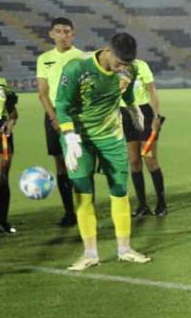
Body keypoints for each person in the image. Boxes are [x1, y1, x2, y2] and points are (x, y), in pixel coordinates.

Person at [54, 32, 151, 270]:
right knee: (83, 193)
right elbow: (62, 105)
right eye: (119, 63)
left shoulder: (130, 68)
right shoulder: (77, 68)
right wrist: (70, 137)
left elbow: (127, 91)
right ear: (107, 51)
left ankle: (124, 249)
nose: (122, 69)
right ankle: (90, 254)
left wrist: (133, 108)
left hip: (111, 136)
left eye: (126, 65)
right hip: (79, 138)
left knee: (119, 191)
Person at [36, 17, 85, 226]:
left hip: (76, 114)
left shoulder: (82, 57)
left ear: (73, 34)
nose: (63, 35)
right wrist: (54, 117)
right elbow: (42, 93)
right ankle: (69, 213)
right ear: (51, 34)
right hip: (54, 114)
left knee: (80, 162)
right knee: (61, 163)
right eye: (59, 31)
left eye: (67, 31)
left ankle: (84, 210)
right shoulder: (44, 59)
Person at [121, 57, 167, 216]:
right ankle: (142, 205)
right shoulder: (115, 67)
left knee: (150, 159)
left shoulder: (141, 65)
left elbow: (152, 91)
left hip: (143, 114)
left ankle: (161, 204)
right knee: (134, 162)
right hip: (124, 114)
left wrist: (156, 116)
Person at [0, 75, 19, 233]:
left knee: (2, 176)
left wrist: (11, 122)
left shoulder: (1, 82)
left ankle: (2, 221)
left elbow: (12, 110)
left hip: (2, 130)